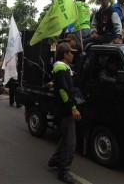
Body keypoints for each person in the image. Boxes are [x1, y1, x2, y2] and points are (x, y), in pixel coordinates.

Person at [48, 43, 81, 184]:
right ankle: (63, 172)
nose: (73, 55)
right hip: (65, 110)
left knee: (65, 137)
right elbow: (63, 90)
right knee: (70, 143)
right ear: (65, 55)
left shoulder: (64, 68)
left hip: (63, 109)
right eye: (71, 53)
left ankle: (54, 160)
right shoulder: (61, 69)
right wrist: (72, 107)